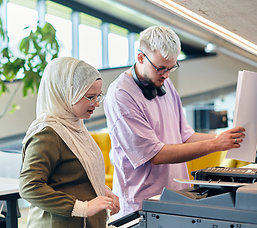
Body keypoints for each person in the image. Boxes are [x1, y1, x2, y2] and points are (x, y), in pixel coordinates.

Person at [103, 26, 245, 218]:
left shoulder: (165, 84)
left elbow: (186, 136)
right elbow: (156, 154)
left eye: (171, 68)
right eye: (160, 68)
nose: (167, 75)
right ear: (140, 58)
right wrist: (215, 144)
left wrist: (224, 137)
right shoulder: (121, 95)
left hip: (176, 196)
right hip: (141, 205)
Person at [19, 56, 120, 228]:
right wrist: (83, 207)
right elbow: (29, 187)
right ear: (65, 93)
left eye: (99, 96)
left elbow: (74, 175)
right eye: (90, 97)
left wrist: (102, 190)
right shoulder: (48, 133)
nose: (97, 103)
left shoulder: (75, 126)